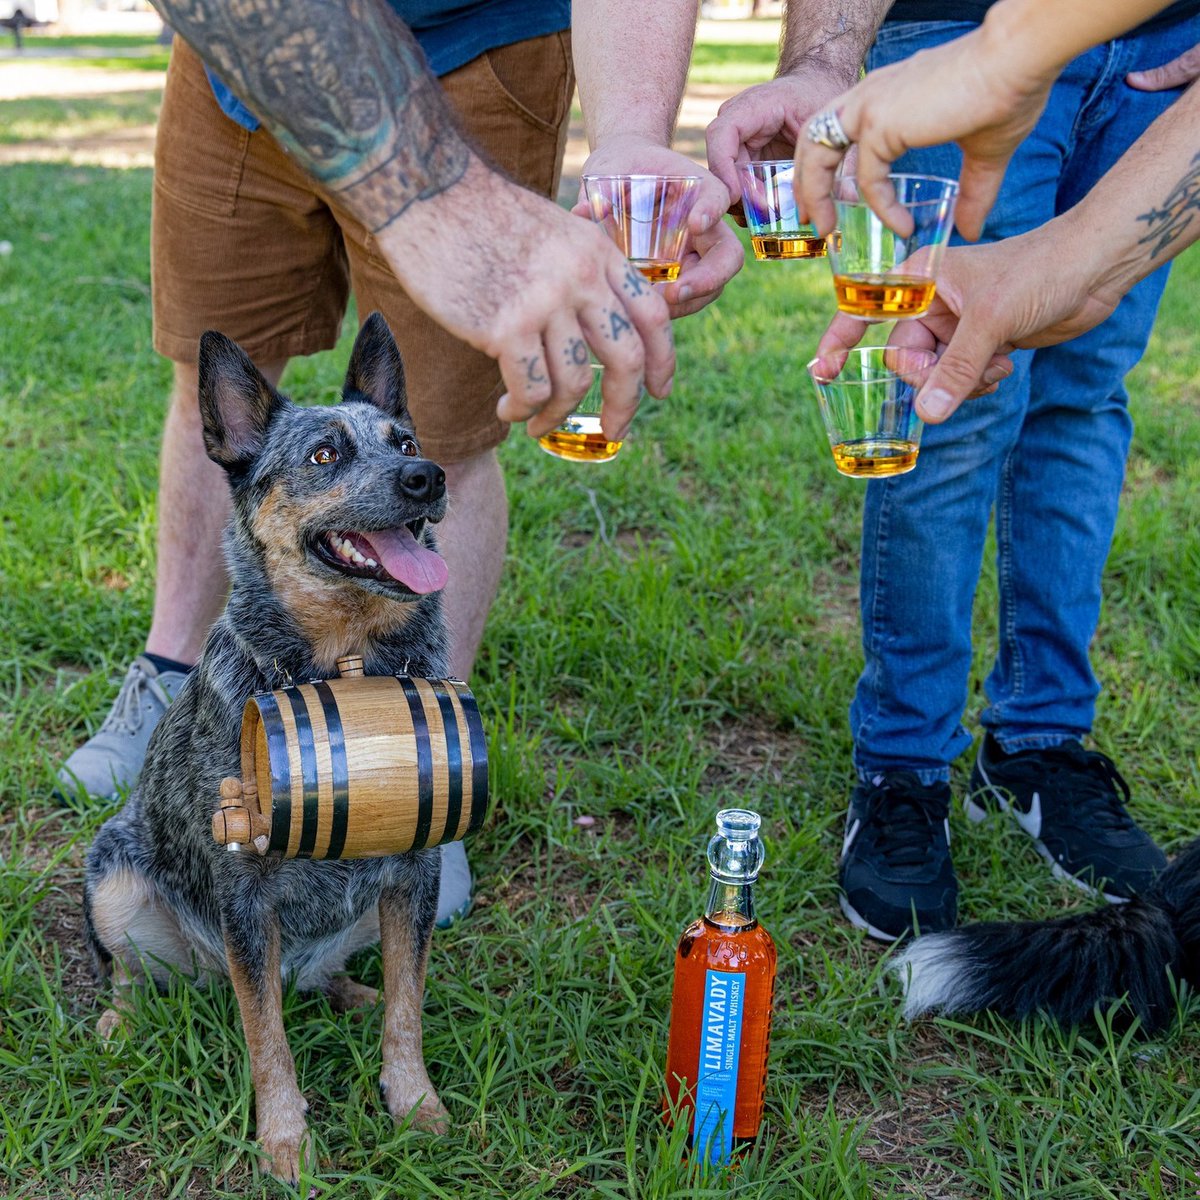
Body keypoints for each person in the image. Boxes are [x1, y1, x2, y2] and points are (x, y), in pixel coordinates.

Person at [58, 0, 742, 924]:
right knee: (211, 382)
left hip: (473, 50)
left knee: (441, 440)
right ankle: (173, 684)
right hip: (238, 59)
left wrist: (626, 134)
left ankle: (423, 763)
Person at [708, 0, 1200, 940]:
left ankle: (1041, 747)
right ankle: (903, 765)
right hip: (956, 34)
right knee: (946, 387)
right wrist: (827, 57)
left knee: (1086, 392)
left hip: (1163, 49)